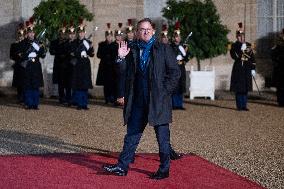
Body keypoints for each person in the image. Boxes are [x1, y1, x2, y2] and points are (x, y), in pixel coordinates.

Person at [103, 18, 181, 180]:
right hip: (138, 99)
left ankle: (164, 169)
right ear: (137, 32)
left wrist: (164, 91)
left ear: (153, 31)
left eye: (148, 29)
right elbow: (122, 72)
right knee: (132, 135)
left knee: (162, 138)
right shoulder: (131, 49)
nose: (145, 32)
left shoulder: (163, 49)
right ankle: (122, 166)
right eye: (141, 29)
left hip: (158, 101)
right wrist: (121, 58)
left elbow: (175, 73)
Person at [19, 18, 45, 109]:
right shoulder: (23, 43)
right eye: (30, 32)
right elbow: (21, 56)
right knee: (28, 86)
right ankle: (28, 103)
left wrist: (38, 48)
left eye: (33, 33)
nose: (31, 34)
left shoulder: (38, 43)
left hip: (36, 67)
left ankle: (35, 104)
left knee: (35, 86)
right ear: (27, 33)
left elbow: (43, 55)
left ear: (35, 33)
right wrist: (28, 53)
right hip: (27, 66)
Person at [230, 22, 256, 111]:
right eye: (240, 36)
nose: (241, 37)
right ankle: (239, 106)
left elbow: (252, 58)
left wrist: (253, 68)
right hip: (238, 68)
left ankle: (244, 105)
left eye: (243, 36)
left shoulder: (248, 45)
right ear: (237, 37)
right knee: (239, 88)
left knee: (245, 88)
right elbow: (235, 56)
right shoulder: (234, 45)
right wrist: (241, 50)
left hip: (247, 68)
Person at [69, 19, 94, 110]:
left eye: (82, 32)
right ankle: (79, 103)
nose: (81, 34)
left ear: (84, 33)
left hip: (85, 64)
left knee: (85, 85)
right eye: (79, 32)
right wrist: (80, 53)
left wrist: (91, 48)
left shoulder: (87, 42)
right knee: (79, 85)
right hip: (78, 65)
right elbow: (72, 53)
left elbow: (91, 54)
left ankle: (85, 103)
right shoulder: (74, 43)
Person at [49, 24, 71, 105]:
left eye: (64, 33)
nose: (63, 34)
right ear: (59, 33)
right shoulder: (54, 42)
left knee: (68, 83)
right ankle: (61, 98)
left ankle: (69, 98)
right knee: (60, 83)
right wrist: (59, 53)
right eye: (61, 33)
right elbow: (51, 51)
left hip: (67, 65)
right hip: (59, 64)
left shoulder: (69, 42)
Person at [96, 23, 117, 104]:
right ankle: (107, 98)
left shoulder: (115, 45)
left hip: (112, 67)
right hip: (104, 67)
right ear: (105, 36)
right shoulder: (101, 45)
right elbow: (98, 55)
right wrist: (105, 55)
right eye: (107, 36)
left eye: (110, 36)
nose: (109, 37)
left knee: (113, 83)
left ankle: (112, 97)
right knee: (106, 84)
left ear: (112, 36)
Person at [170, 22, 189, 110]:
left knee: (181, 85)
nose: (177, 38)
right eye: (175, 36)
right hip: (174, 68)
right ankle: (173, 104)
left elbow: (187, 59)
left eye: (178, 36)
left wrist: (185, 53)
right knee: (174, 85)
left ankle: (179, 104)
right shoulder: (171, 46)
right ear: (173, 37)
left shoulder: (183, 46)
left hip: (181, 67)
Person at [10, 23, 26, 103]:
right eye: (19, 33)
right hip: (18, 65)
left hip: (25, 65)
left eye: (22, 34)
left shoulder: (26, 43)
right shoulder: (13, 45)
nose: (20, 35)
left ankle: (25, 98)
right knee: (18, 83)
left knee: (25, 82)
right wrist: (17, 55)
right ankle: (20, 98)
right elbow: (11, 56)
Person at [271, 28, 284, 107]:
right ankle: (281, 101)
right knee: (280, 86)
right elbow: (273, 55)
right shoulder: (278, 44)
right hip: (280, 68)